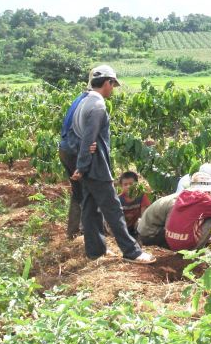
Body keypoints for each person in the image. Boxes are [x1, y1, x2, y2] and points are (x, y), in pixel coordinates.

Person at [72, 65, 155, 264]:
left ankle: (95, 251)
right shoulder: (98, 106)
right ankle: (131, 251)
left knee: (90, 209)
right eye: (113, 85)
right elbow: (89, 139)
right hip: (96, 166)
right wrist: (82, 167)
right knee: (113, 209)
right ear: (108, 82)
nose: (113, 89)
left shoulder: (84, 101)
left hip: (88, 165)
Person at [165, 168, 211, 251]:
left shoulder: (182, 195)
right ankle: (198, 249)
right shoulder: (204, 199)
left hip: (171, 243)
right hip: (186, 245)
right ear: (207, 190)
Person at [58, 86, 89, 238]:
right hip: (74, 150)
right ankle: (86, 232)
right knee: (89, 191)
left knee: (78, 192)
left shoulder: (80, 98)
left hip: (65, 149)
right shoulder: (91, 102)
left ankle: (73, 232)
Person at [118, 171, 152, 237]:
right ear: (121, 186)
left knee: (142, 222)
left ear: (137, 184)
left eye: (131, 184)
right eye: (125, 184)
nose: (128, 186)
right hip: (122, 227)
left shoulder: (141, 196)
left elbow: (144, 215)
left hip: (135, 227)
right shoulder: (118, 199)